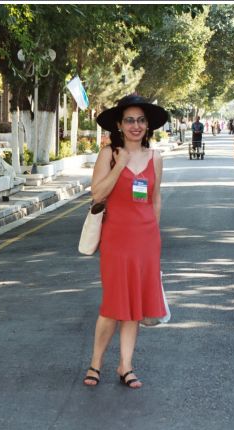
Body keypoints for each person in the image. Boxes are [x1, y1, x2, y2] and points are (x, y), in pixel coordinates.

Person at [82, 95, 169, 390]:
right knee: (112, 304)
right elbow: (97, 194)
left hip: (146, 241)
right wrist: (121, 166)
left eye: (141, 120)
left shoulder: (156, 158)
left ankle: (125, 366)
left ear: (148, 126)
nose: (136, 125)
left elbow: (155, 202)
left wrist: (155, 242)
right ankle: (95, 363)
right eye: (129, 120)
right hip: (116, 239)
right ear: (119, 124)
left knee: (134, 306)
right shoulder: (109, 154)